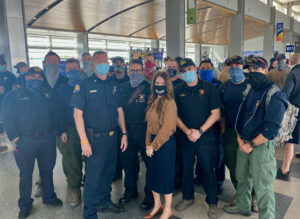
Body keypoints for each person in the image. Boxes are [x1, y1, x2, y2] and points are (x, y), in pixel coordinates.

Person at [223, 56, 287, 219]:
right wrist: (239, 138)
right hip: (243, 142)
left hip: (260, 145)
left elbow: (271, 129)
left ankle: (267, 216)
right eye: (250, 69)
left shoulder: (275, 94)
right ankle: (243, 207)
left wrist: (251, 144)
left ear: (266, 70)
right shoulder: (250, 89)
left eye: (256, 69)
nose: (252, 73)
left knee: (263, 185)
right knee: (241, 177)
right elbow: (243, 115)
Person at [70, 51, 128, 219]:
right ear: (93, 65)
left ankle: (105, 202)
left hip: (113, 137)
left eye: (105, 61)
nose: (103, 64)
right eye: (99, 62)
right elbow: (77, 115)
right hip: (94, 140)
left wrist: (124, 133)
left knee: (108, 173)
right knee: (93, 178)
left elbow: (119, 110)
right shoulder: (83, 85)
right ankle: (89, 214)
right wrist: (83, 141)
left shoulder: (112, 84)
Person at [2, 67, 63, 218]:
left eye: (38, 76)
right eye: (31, 76)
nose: (35, 79)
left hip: (47, 139)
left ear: (42, 79)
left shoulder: (47, 94)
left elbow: (56, 113)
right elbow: (7, 118)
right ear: (25, 78)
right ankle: (25, 204)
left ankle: (49, 197)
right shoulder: (13, 96)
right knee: (26, 174)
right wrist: (15, 138)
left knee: (47, 170)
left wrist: (56, 131)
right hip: (25, 141)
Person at [174, 58, 220, 219]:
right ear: (180, 74)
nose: (187, 73)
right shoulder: (178, 90)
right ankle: (187, 197)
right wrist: (188, 131)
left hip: (205, 136)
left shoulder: (209, 88)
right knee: (186, 169)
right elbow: (175, 115)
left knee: (208, 169)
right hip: (185, 136)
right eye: (183, 71)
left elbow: (216, 114)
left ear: (195, 68)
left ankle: (212, 202)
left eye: (189, 69)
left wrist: (199, 132)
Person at [219, 56, 258, 211]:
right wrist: (223, 132)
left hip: (249, 133)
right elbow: (221, 111)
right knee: (232, 163)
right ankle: (240, 191)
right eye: (231, 65)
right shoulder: (225, 87)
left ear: (244, 67)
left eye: (238, 65)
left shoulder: (252, 84)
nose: (235, 68)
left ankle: (253, 195)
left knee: (250, 166)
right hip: (230, 131)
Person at [118, 59, 153, 209]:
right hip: (127, 132)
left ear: (143, 71)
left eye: (138, 70)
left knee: (150, 165)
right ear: (128, 71)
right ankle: (130, 191)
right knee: (128, 163)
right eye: (132, 70)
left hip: (145, 132)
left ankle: (150, 196)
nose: (135, 73)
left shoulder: (149, 88)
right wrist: (123, 132)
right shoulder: (123, 88)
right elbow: (119, 112)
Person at [144, 71, 177, 219]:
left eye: (162, 84)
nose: (159, 86)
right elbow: (149, 125)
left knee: (165, 177)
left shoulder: (170, 102)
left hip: (165, 143)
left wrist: (154, 145)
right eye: (157, 84)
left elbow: (167, 128)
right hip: (152, 142)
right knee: (152, 176)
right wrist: (147, 144)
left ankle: (168, 209)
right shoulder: (152, 100)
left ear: (167, 85)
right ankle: (157, 205)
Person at [56, 58, 83, 206]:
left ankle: (93, 186)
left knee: (93, 157)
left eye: (75, 68)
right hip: (70, 128)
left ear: (80, 69)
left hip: (88, 126)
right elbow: (58, 112)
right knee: (71, 158)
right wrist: (62, 130)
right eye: (69, 69)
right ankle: (74, 187)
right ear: (66, 71)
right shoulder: (62, 89)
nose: (72, 71)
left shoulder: (87, 85)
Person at [195, 59, 225, 194]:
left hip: (214, 126)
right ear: (198, 69)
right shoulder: (195, 84)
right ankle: (200, 176)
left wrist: (222, 129)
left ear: (213, 70)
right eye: (203, 68)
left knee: (217, 155)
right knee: (200, 153)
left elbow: (222, 109)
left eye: (208, 68)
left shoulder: (219, 85)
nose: (205, 70)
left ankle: (218, 181)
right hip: (199, 126)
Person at [278, 47, 300, 181]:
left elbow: (285, 94)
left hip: (295, 111)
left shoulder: (293, 74)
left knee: (289, 142)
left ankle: (285, 170)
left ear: (291, 61)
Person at [0, 57, 16, 153]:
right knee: (1, 123)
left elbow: (15, 87)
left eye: (2, 65)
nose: (1, 67)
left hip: (10, 102)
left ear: (6, 65)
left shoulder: (10, 75)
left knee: (11, 121)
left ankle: (17, 139)